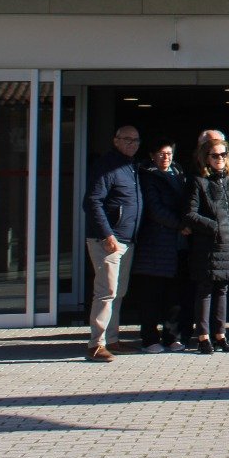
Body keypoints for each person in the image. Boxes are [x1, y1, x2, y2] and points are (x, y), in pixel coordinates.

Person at [83, 124, 144, 361]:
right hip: (108, 240)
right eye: (127, 139)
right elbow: (92, 202)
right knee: (106, 292)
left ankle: (113, 339)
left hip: (127, 239)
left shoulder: (131, 167)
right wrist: (107, 235)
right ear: (115, 140)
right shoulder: (107, 166)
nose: (132, 144)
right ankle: (96, 344)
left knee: (118, 292)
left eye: (136, 140)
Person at [184, 137, 229, 354]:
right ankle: (203, 336)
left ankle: (221, 334)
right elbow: (190, 214)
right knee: (205, 289)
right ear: (205, 157)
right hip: (208, 244)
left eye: (223, 154)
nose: (220, 159)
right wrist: (214, 226)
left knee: (223, 288)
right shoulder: (198, 181)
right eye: (215, 155)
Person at [131, 138, 191, 353]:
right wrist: (180, 225)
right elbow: (154, 209)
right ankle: (149, 339)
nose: (166, 157)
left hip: (176, 245)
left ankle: (172, 336)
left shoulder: (179, 174)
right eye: (162, 153)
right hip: (155, 245)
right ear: (152, 155)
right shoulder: (147, 176)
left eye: (169, 153)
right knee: (151, 295)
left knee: (174, 296)